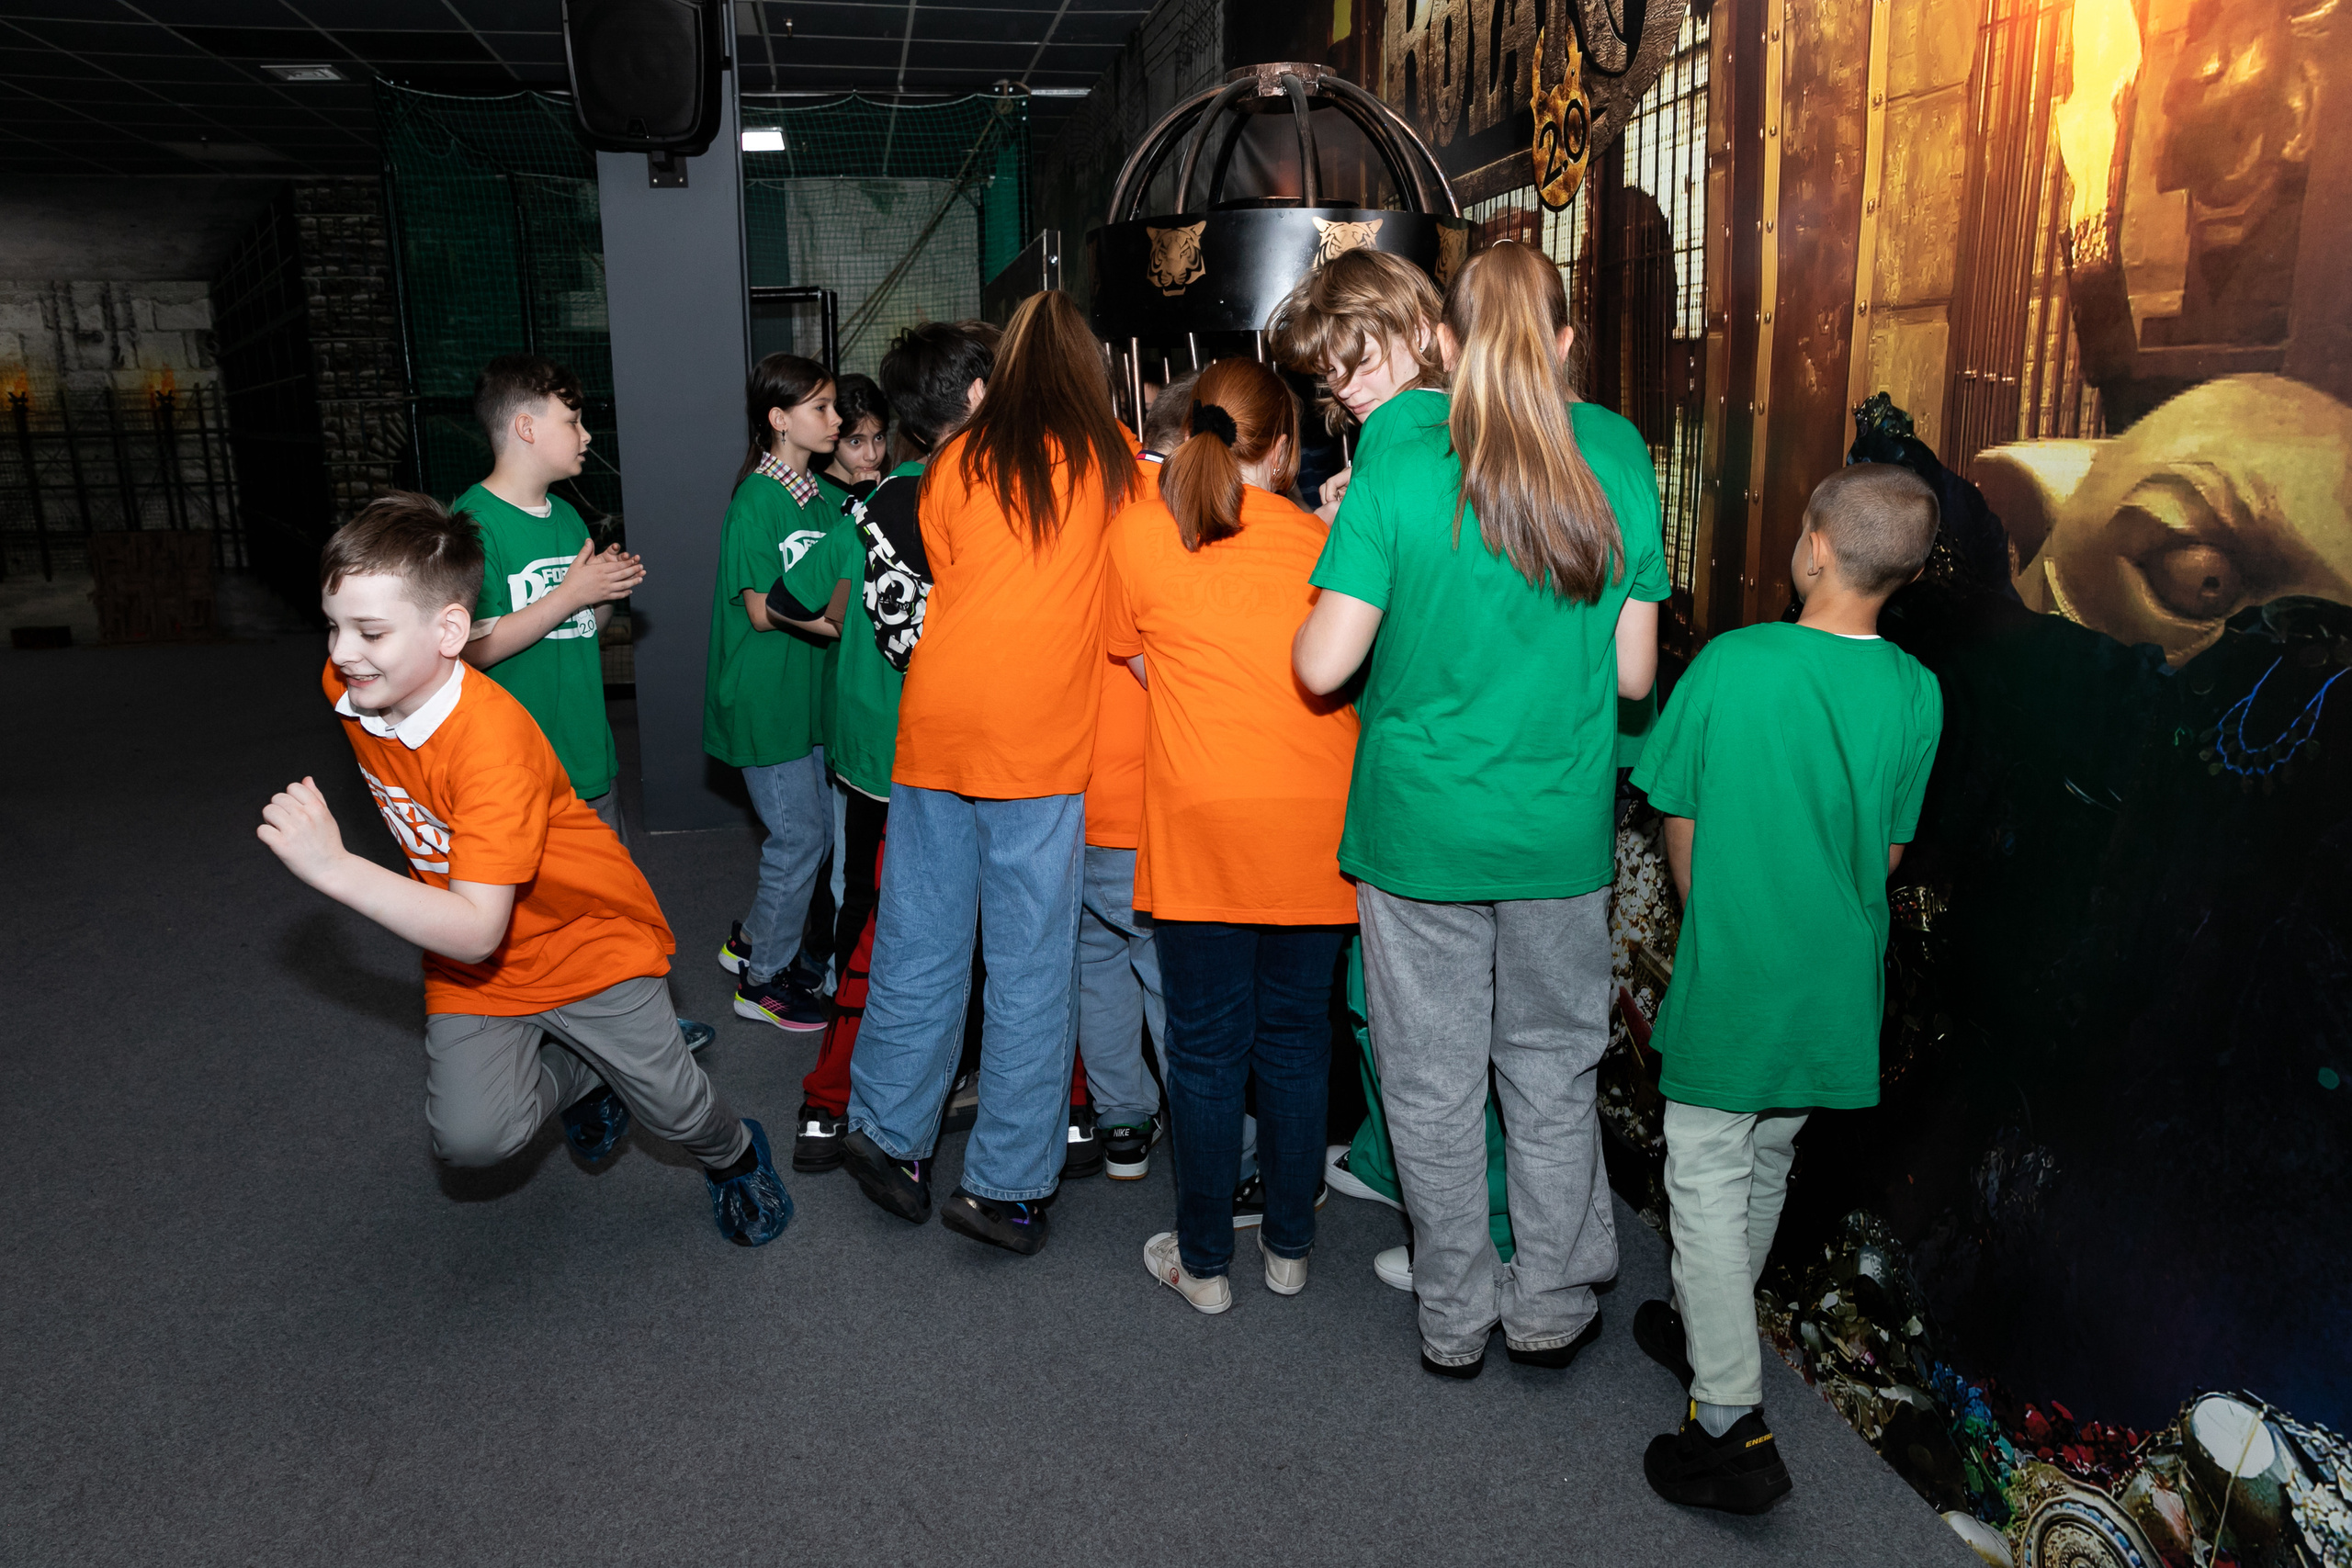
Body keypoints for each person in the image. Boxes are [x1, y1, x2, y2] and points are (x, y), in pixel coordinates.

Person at [1293, 241, 1668, 1378]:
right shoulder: (1614, 450)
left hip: (1419, 835)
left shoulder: (1400, 456)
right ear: (1562, 343)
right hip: (1557, 835)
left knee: (1428, 1075)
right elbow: (1636, 680)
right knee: (1550, 1070)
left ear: (1443, 344)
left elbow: (1320, 667)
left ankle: (1454, 1315)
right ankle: (1549, 1304)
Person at [255, 493, 791, 1247]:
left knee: (673, 1108)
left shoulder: (492, 749)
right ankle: (591, 1070)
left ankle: (734, 1155)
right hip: (480, 960)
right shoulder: (351, 686)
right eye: (334, 625)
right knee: (472, 1140)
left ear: (447, 630)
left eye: (370, 630)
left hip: (584, 941)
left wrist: (334, 866)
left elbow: (477, 929)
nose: (342, 652)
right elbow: (476, 942)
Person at [1627, 464, 1943, 1513]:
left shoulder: (1733, 661)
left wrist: (1705, 906)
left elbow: (1675, 809)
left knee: (1705, 1171)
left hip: (1743, 969)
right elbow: (1891, 851)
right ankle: (1701, 1320)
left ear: (1812, 544)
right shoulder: (1914, 688)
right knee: (1765, 1156)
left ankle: (1727, 1423)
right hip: (1835, 977)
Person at [838, 291, 1136, 1257]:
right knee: (1029, 964)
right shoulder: (1110, 459)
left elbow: (961, 577)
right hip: (1034, 746)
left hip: (935, 728)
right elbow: (1127, 598)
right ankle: (1006, 1185)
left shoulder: (951, 464)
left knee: (921, 936)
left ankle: (889, 1135)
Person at [1268, 248, 1512, 1285]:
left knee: (1440, 1036)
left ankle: (1478, 1237)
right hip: (1502, 761)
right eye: (1332, 375)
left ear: (1420, 332)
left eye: (1357, 362)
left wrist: (1342, 539)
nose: (1347, 390)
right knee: (1405, 1010)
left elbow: (1327, 660)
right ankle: (1392, 1162)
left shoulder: (1405, 453)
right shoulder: (1483, 433)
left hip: (1437, 765)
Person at [1112, 359, 1360, 1314]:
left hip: (1200, 828)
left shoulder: (1138, 530)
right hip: (1315, 826)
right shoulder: (1328, 541)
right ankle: (1289, 1248)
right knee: (1298, 1047)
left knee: (1206, 1054)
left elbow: (1138, 666)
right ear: (1288, 446)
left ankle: (1206, 1264)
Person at [760, 321, 998, 1175]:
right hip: (942, 757)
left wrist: (841, 618)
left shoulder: (872, 501)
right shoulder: (994, 498)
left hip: (883, 751)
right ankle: (881, 1082)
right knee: (933, 927)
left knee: (876, 919)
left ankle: (848, 1089)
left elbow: (792, 601)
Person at [1069, 369, 1200, 1186]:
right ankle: (1200, 1123)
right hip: (1156, 787)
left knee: (1094, 951)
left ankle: (1123, 1116)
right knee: (1168, 966)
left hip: (1069, 781)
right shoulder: (1182, 518)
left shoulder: (1084, 489)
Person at [707, 354, 840, 1035]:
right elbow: (761, 610)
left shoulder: (823, 497)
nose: (837, 420)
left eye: (835, 406)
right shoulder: (755, 502)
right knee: (801, 838)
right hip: (765, 704)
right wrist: (841, 620)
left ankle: (753, 941)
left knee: (809, 839)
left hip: (808, 699)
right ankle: (762, 983)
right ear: (779, 420)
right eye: (821, 408)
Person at [456, 355, 637, 840]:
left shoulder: (569, 518)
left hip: (588, 758)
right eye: (573, 421)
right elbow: (473, 648)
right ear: (525, 428)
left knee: (611, 904)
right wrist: (570, 593)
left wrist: (602, 590)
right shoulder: (472, 524)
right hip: (517, 768)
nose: (587, 436)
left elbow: (584, 630)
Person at [820, 372, 892, 502]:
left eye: (879, 438)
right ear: (833, 436)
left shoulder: (891, 485)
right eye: (856, 441)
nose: (872, 456)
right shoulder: (817, 496)